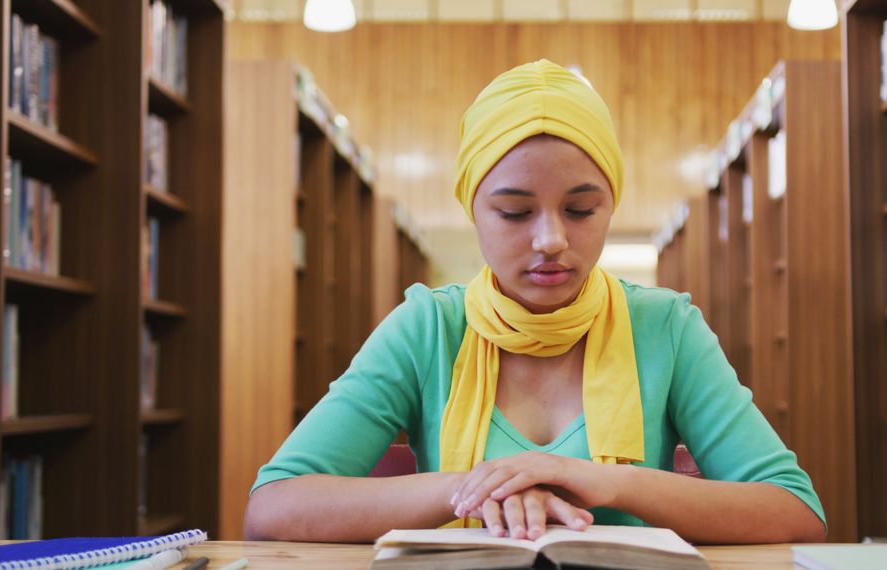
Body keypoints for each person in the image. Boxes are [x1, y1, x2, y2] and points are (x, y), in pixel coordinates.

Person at [244, 59, 827, 544]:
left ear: (611, 206)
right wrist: (483, 486)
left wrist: (605, 482)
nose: (550, 239)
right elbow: (273, 510)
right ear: (472, 209)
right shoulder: (427, 327)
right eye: (515, 212)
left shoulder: (666, 326)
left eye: (580, 209)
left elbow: (795, 513)